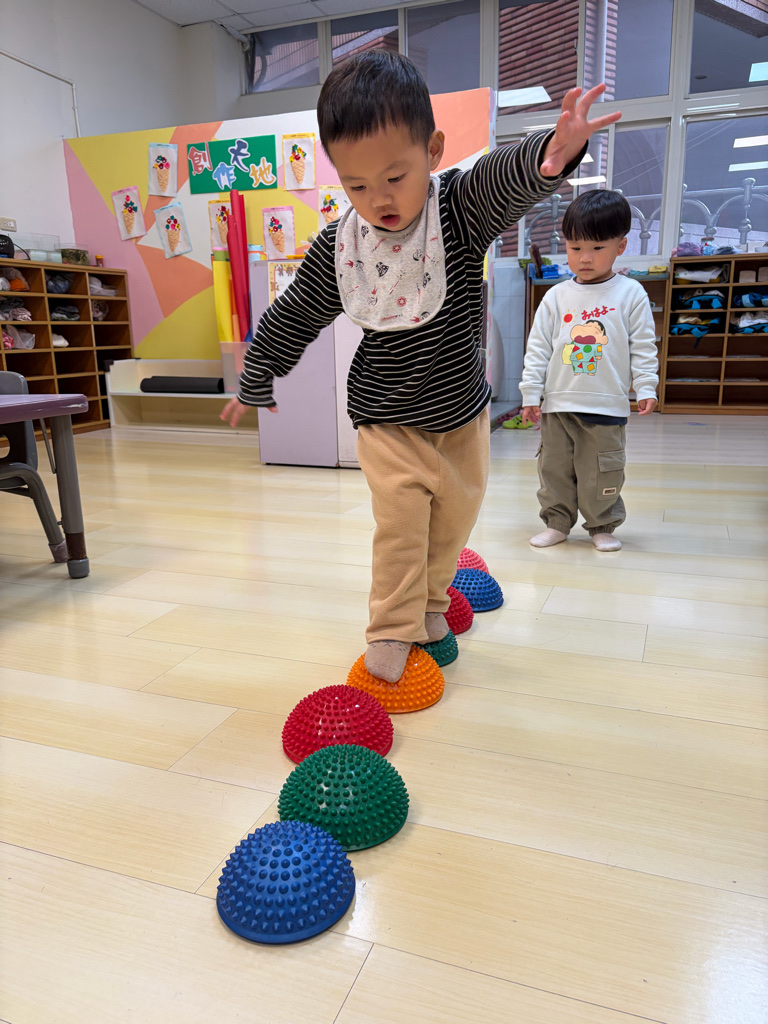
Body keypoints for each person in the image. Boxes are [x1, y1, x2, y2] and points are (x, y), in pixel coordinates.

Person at [222, 51, 620, 680]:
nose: (377, 199)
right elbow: (295, 311)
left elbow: (499, 177)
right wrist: (256, 375)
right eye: (356, 185)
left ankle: (432, 603)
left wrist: (551, 153)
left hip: (460, 417)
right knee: (402, 525)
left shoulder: (457, 209)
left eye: (394, 176)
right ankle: (390, 627)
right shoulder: (341, 246)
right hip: (386, 419)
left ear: (432, 151)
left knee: (452, 525)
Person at [520, 189, 659, 552]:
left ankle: (602, 525)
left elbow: (643, 346)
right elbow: (538, 347)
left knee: (602, 470)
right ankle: (557, 523)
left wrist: (646, 385)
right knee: (554, 469)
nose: (584, 257)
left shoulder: (630, 293)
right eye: (574, 247)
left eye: (597, 247)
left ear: (620, 246)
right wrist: (530, 393)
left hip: (606, 405)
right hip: (558, 404)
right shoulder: (556, 296)